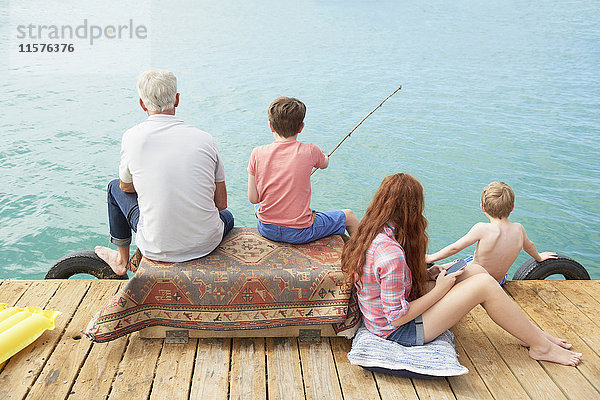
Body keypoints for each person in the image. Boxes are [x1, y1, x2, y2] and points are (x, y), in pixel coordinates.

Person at [341, 173, 581, 366]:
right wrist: (440, 290)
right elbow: (397, 317)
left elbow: (388, 280)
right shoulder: (389, 253)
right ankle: (541, 347)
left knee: (476, 270)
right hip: (398, 331)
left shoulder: (375, 231)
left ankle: (533, 335)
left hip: (392, 312)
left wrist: (431, 273)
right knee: (485, 285)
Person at [94, 69, 234, 275]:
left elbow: (124, 186)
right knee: (227, 216)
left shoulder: (132, 137)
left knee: (114, 186)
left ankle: (121, 260)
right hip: (206, 244)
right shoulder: (204, 139)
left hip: (155, 247)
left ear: (142, 103)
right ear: (177, 100)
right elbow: (221, 204)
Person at [247, 96, 359, 244]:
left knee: (258, 205)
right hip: (299, 233)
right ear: (301, 127)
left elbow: (253, 199)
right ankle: (365, 253)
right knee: (349, 216)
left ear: (270, 126)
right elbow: (324, 163)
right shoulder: (311, 151)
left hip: (267, 229)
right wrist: (323, 157)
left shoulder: (257, 153)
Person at [426, 181, 557, 284]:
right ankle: (442, 267)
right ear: (512, 207)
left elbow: (455, 248)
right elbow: (529, 246)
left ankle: (436, 271)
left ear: (482, 207)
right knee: (470, 260)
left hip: (474, 281)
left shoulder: (481, 228)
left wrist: (431, 257)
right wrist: (539, 257)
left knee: (461, 262)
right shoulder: (519, 229)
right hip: (498, 281)